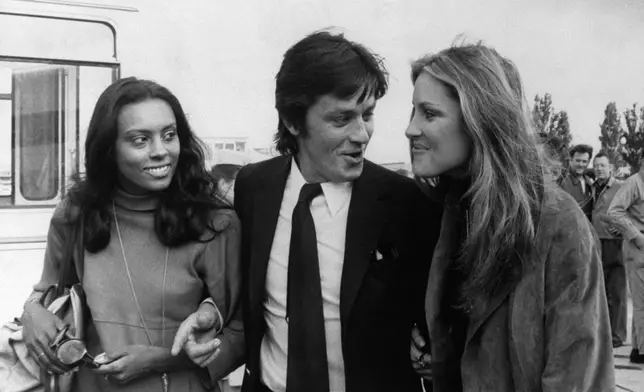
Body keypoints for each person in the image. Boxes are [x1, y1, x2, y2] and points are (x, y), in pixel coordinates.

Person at [173, 30, 441, 392]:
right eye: (341, 119)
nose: (361, 134)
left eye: (368, 114)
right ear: (293, 120)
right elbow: (231, 285)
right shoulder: (254, 188)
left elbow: (435, 316)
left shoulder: (406, 202)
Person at [406, 42, 614, 391]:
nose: (411, 129)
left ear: (480, 120)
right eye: (412, 112)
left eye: (429, 113)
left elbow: (579, 376)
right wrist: (436, 348)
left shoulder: (558, 224)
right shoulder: (450, 212)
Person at [19, 77, 244, 391]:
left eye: (169, 135)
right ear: (109, 149)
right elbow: (45, 293)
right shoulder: (75, 214)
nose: (160, 151)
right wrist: (32, 314)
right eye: (141, 140)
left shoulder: (215, 222)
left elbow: (240, 331)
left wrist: (162, 359)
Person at [606, 158, 644, 364]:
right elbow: (614, 212)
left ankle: (638, 350)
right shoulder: (634, 183)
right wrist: (636, 236)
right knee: (642, 302)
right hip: (639, 246)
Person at [591, 151, 628, 348]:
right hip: (596, 242)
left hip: (616, 243)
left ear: (610, 167)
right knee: (601, 290)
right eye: (596, 165)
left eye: (603, 165)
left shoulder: (621, 188)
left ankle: (618, 335)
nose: (599, 168)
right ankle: (603, 333)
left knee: (617, 291)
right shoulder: (592, 187)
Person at [559, 144, 594, 220]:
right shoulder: (563, 183)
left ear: (588, 162)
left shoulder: (590, 183)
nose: (581, 164)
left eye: (584, 161)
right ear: (571, 160)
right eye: (578, 160)